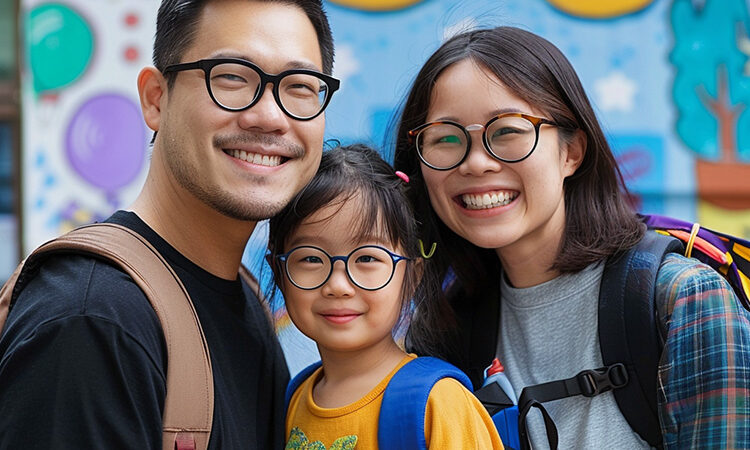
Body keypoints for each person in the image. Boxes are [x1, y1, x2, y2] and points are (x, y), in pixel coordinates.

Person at [393, 26, 750, 448]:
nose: (476, 163)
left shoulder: (683, 299)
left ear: (572, 151)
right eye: (446, 139)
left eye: (507, 132)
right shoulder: (443, 328)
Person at [0, 0, 337, 448]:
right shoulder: (94, 319)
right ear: (156, 99)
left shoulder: (247, 300)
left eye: (299, 87)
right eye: (233, 77)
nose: (270, 116)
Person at [267, 143, 504, 449]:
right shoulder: (296, 399)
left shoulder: (438, 404)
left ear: (411, 277)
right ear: (279, 272)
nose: (338, 285)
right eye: (311, 258)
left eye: (367, 258)